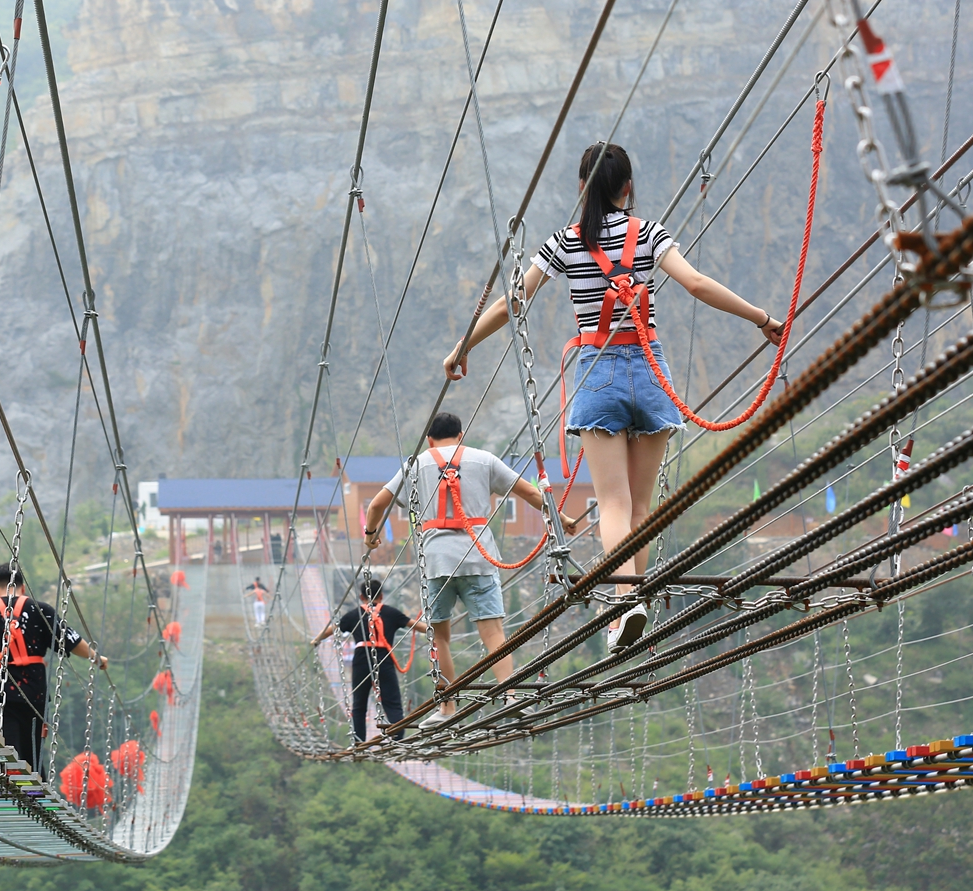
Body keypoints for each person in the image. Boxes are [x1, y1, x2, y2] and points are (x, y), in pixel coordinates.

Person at [443, 142, 783, 652]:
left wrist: (463, 344)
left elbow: (514, 302)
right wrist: (762, 319)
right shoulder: (648, 233)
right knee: (641, 505)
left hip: (598, 372)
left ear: (582, 188)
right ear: (627, 187)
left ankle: (627, 604)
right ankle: (631, 600)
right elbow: (695, 284)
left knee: (615, 503)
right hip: (649, 372)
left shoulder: (564, 241)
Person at [361, 412, 578, 724]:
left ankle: (448, 707)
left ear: (430, 440)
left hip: (437, 562)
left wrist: (371, 536)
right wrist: (562, 518)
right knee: (493, 632)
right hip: (479, 555)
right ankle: (510, 696)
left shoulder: (416, 464)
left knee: (440, 636)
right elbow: (531, 492)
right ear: (460, 435)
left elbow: (376, 505)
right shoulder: (483, 459)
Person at [0, 564, 108, 772]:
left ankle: (7, 788)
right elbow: (71, 639)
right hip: (34, 693)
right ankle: (37, 792)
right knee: (32, 755)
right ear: (23, 588)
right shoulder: (41, 610)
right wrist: (96, 658)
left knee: (0, 751)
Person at [311, 577, 427, 741]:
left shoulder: (353, 615)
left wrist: (316, 639)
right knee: (392, 702)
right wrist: (435, 631)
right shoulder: (391, 613)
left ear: (361, 597)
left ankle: (359, 742)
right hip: (384, 658)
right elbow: (415, 625)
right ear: (381, 595)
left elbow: (332, 628)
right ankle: (397, 738)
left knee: (359, 704)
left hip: (361, 659)